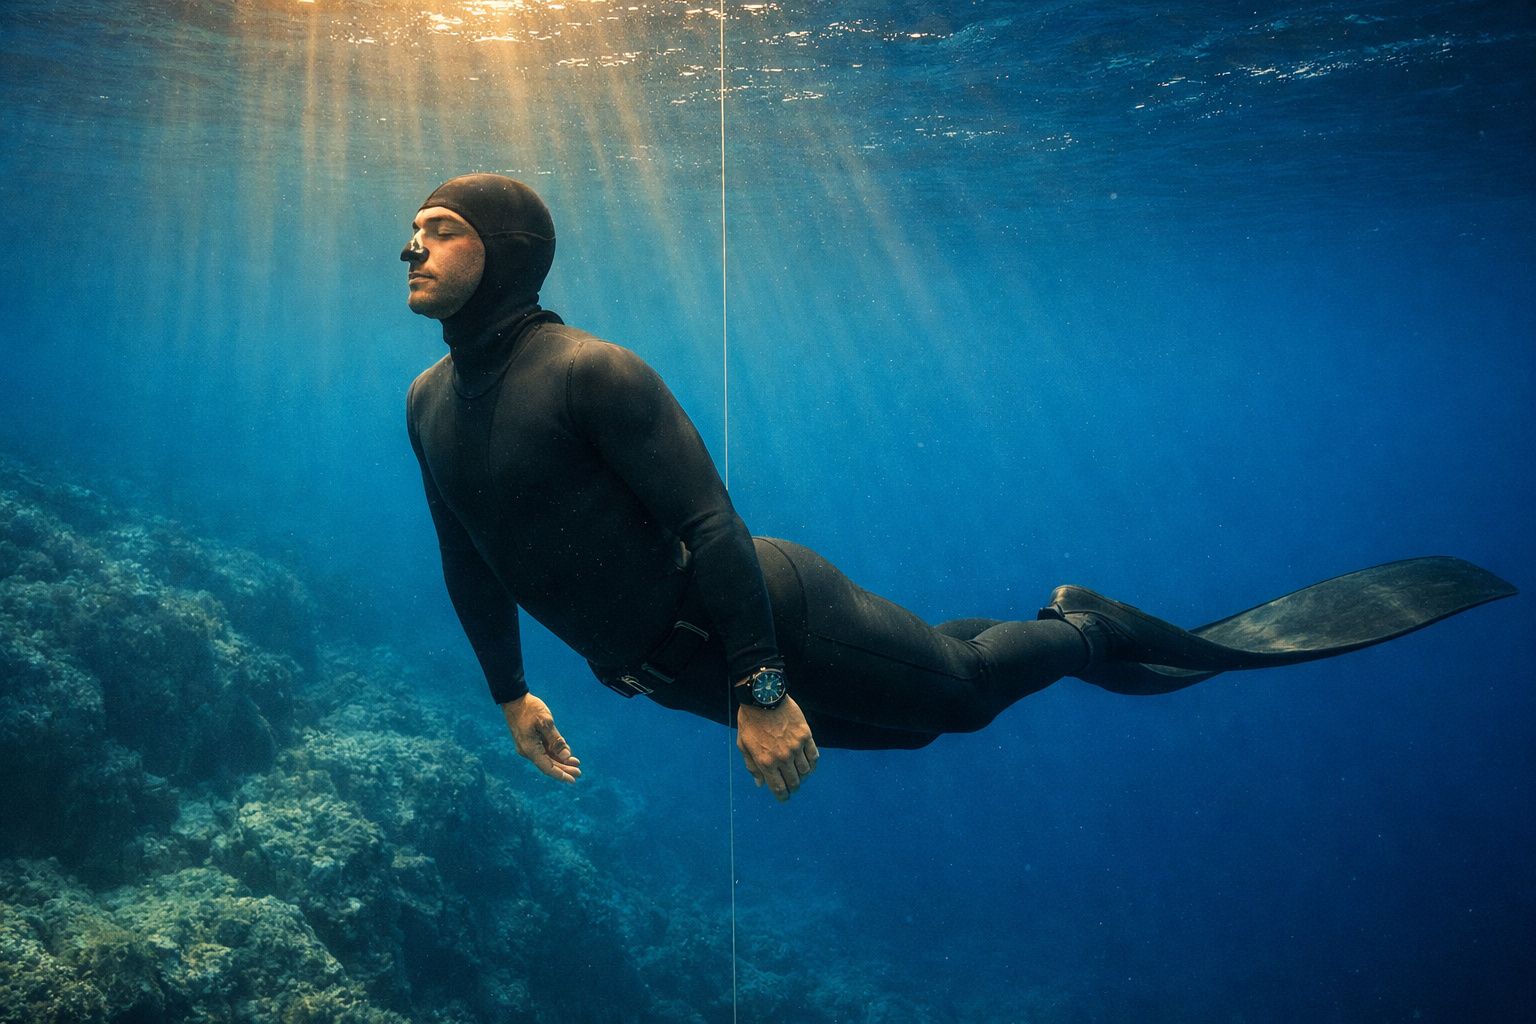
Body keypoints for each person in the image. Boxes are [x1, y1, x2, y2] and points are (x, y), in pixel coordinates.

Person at [402, 174, 1516, 802]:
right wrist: (510, 693)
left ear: (508, 250)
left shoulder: (591, 372)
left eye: (441, 231)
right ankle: (1006, 635)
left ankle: (1086, 628)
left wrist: (761, 686)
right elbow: (471, 555)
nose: (413, 246)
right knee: (916, 731)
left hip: (759, 618)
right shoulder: (426, 402)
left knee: (964, 700)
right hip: (670, 669)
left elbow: (712, 525)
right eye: (413, 231)